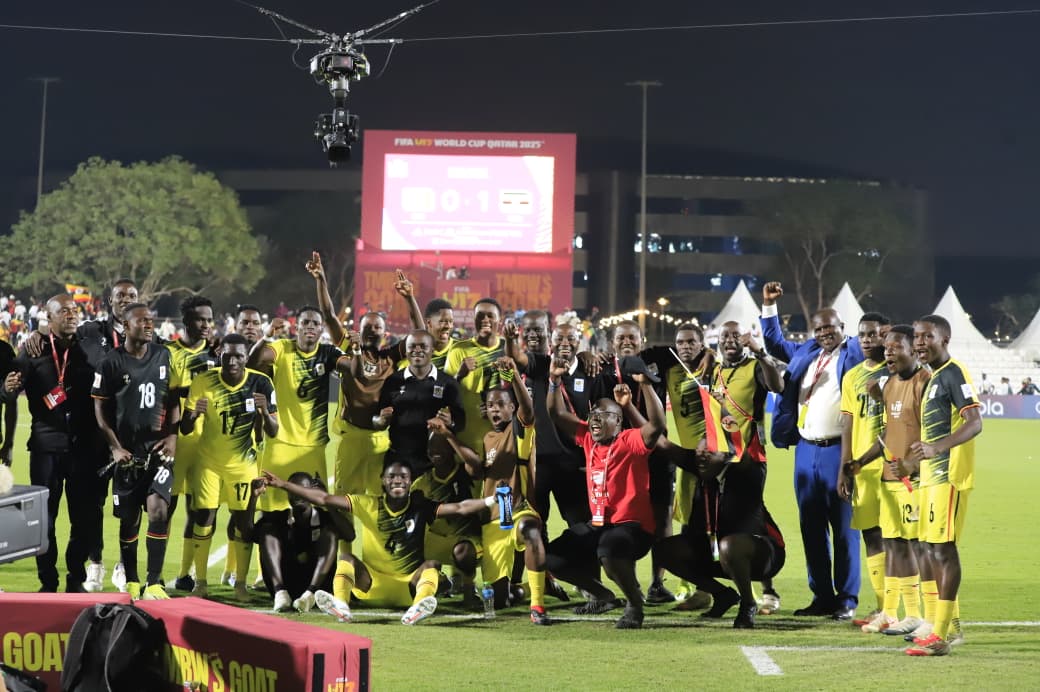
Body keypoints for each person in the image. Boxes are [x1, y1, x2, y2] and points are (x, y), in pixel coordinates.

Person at [264, 459, 496, 625]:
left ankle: (419, 607)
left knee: (432, 565)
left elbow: (460, 507)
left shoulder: (421, 507)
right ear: (383, 481)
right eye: (392, 477)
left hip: (408, 587)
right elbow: (324, 498)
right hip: (371, 585)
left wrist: (492, 500)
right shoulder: (368, 504)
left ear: (410, 482)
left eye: (403, 477)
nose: (398, 481)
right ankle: (342, 606)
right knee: (346, 559)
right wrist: (284, 485)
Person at [759, 280, 864, 620]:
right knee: (812, 529)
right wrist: (769, 304)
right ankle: (821, 597)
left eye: (830, 328)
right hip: (806, 451)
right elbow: (774, 342)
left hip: (839, 450)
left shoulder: (855, 352)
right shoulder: (806, 352)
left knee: (845, 529)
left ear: (842, 328)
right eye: (818, 329)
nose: (824, 333)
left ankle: (846, 600)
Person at [430, 356, 552, 625]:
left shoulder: (520, 428)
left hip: (520, 508)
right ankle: (514, 589)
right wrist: (449, 435)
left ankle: (538, 606)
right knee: (498, 600)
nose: (495, 410)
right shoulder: (488, 438)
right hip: (494, 518)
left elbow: (528, 409)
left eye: (501, 405)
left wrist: (514, 378)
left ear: (512, 408)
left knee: (531, 532)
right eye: (490, 405)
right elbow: (476, 470)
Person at [547, 374, 667, 629]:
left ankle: (635, 605)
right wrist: (555, 380)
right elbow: (557, 413)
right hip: (601, 523)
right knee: (551, 556)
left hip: (634, 527)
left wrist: (645, 386)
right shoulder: (589, 440)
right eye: (592, 415)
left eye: (603, 415)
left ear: (619, 421)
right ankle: (604, 595)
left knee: (609, 548)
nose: (594, 420)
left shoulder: (630, 440)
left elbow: (656, 425)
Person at [903, 315, 982, 656]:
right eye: (917, 336)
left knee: (943, 551)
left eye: (927, 336)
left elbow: (975, 422)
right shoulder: (933, 377)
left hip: (948, 476)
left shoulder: (953, 372)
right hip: (931, 477)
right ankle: (946, 625)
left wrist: (937, 448)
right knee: (931, 549)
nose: (919, 342)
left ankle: (943, 636)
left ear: (944, 338)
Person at [3, 295, 94, 593]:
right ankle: (48, 581)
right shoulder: (32, 350)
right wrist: (6, 389)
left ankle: (76, 579)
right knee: (45, 519)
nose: (71, 315)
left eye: (74, 310)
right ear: (49, 318)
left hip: (83, 448)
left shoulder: (90, 345)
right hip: (45, 447)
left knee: (83, 518)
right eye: (63, 311)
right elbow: (8, 393)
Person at [844, 325, 929, 637]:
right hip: (887, 476)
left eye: (896, 347)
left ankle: (925, 615)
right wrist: (860, 462)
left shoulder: (925, 381)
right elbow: (888, 435)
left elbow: (933, 433)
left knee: (917, 546)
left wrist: (914, 464)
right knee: (893, 545)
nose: (889, 351)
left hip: (914, 481)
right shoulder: (890, 384)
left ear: (913, 350)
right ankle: (893, 613)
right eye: (887, 347)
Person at [92, 303, 180, 600]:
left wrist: (172, 437)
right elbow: (100, 410)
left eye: (151, 320)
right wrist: (115, 448)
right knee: (129, 520)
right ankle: (131, 579)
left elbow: (176, 398)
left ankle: (154, 582)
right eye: (141, 321)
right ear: (125, 326)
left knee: (158, 511)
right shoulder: (111, 363)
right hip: (128, 455)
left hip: (158, 450)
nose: (149, 325)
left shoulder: (164, 355)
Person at [180, 333, 278, 600]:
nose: (232, 361)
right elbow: (186, 428)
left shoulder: (261, 383)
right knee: (203, 518)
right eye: (228, 355)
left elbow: (274, 430)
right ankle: (200, 582)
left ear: (246, 358)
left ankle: (241, 585)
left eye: (239, 356)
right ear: (219, 354)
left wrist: (264, 413)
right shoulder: (204, 381)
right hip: (208, 463)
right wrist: (192, 415)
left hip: (243, 465)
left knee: (245, 524)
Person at [586, 320, 677, 604]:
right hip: (621, 458)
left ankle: (657, 584)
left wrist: (709, 354)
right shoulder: (603, 374)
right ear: (612, 343)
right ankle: (629, 579)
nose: (627, 342)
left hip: (657, 454)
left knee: (663, 516)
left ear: (642, 340)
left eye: (632, 338)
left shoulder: (655, 363)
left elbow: (685, 351)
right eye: (621, 338)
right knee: (622, 518)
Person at [653, 441, 786, 629]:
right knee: (664, 550)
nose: (701, 456)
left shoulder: (747, 470)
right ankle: (722, 595)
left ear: (727, 455)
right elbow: (660, 440)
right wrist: (629, 410)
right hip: (718, 552)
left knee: (729, 545)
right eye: (698, 452)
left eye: (708, 452)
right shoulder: (703, 467)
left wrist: (721, 413)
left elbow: (739, 446)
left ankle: (748, 604)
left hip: (763, 555)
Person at [712, 320, 785, 614]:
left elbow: (777, 385)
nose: (730, 340)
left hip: (750, 459)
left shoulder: (754, 367)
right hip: (721, 460)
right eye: (724, 335)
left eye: (735, 335)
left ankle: (767, 589)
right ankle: (751, 588)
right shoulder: (716, 371)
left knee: (751, 520)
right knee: (729, 522)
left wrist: (761, 354)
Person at [834, 313, 890, 625]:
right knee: (871, 536)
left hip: (894, 467)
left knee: (897, 538)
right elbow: (848, 424)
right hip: (862, 469)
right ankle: (884, 606)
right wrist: (845, 467)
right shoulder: (852, 376)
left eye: (873, 334)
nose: (867, 340)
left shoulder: (898, 371)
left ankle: (900, 608)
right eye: (862, 335)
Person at [240, 472, 354, 613]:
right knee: (267, 530)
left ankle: (310, 594)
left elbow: (350, 535)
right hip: (287, 584)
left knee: (330, 532)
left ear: (310, 493)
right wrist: (254, 497)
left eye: (302, 491)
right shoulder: (278, 517)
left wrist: (326, 501)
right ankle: (280, 593)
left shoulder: (324, 518)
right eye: (292, 491)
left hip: (319, 589)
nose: (296, 495)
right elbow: (247, 535)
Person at [167, 296, 218, 592]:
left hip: (205, 447)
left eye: (209, 319)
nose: (206, 325)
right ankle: (154, 573)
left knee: (200, 511)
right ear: (186, 321)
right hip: (175, 444)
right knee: (164, 510)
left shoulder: (218, 356)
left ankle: (187, 574)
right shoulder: (167, 353)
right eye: (201, 319)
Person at [376, 329, 465, 476]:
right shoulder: (392, 381)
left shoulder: (448, 383)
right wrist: (380, 420)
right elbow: (376, 419)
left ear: (432, 349)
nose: (417, 350)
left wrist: (451, 422)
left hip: (434, 463)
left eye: (423, 346)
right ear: (406, 350)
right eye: (412, 346)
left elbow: (461, 423)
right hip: (398, 460)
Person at [409, 433, 482, 608]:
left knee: (463, 551)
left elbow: (476, 466)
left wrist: (449, 434)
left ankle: (469, 591)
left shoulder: (466, 474)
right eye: (431, 448)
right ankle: (439, 583)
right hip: (435, 541)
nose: (435, 451)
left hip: (467, 542)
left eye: (441, 447)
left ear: (451, 449)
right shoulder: (422, 483)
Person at [444, 298, 508, 457]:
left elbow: (518, 395)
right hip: (466, 440)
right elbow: (442, 394)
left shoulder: (507, 350)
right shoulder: (458, 350)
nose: (485, 320)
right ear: (473, 319)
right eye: (480, 315)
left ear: (500, 321)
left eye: (490, 316)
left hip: (500, 441)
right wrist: (459, 375)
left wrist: (499, 409)